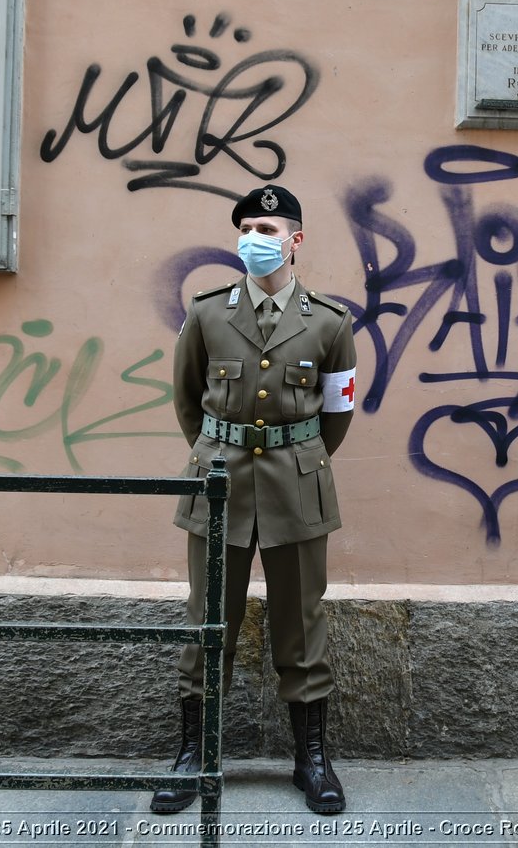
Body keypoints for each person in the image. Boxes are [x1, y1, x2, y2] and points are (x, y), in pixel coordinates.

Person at [151, 184, 357, 816]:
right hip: (220, 484)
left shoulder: (329, 321)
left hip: (297, 483)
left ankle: (311, 760)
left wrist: (300, 458)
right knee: (209, 620)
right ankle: (196, 755)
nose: (255, 239)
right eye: (247, 228)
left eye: (268, 229)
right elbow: (188, 399)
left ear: (296, 240)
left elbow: (338, 411)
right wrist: (219, 452)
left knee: (302, 622)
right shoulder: (209, 313)